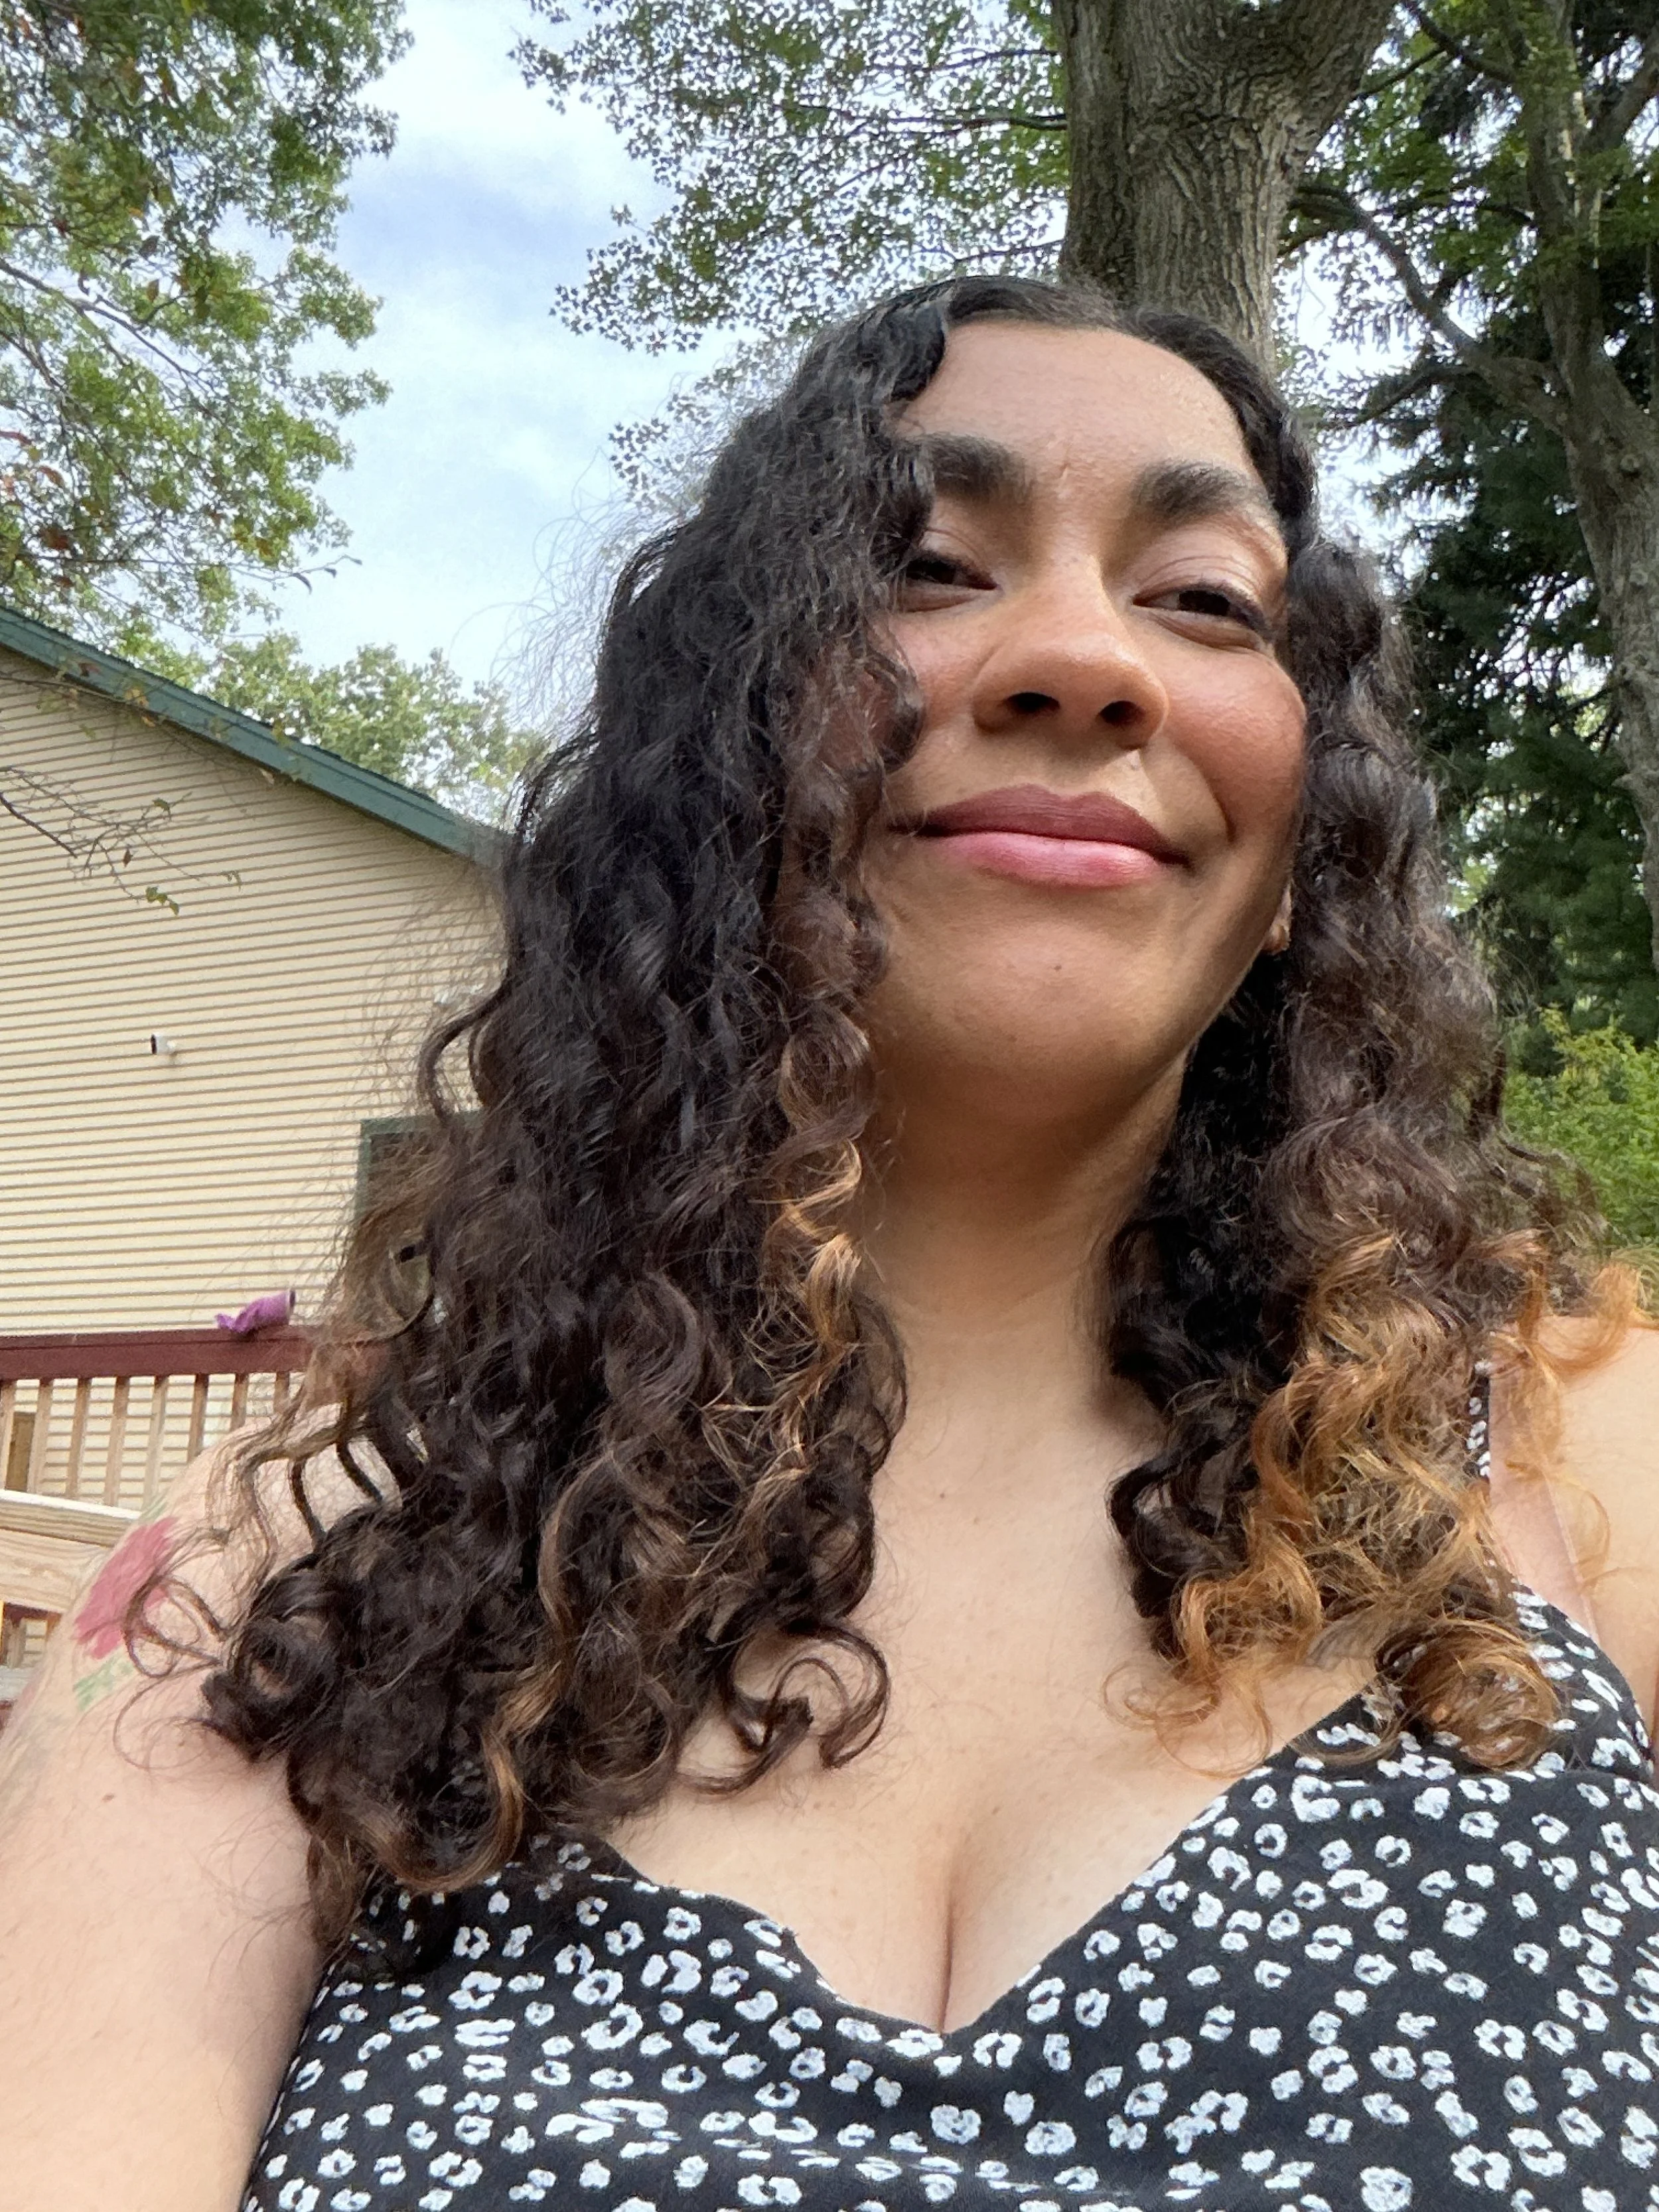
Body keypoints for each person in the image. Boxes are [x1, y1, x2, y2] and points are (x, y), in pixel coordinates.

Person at [2, 275, 1657, 2212]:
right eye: (928, 566)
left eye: (1204, 599)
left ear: (1307, 847)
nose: (1081, 658)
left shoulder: (1586, 1462)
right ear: (726, 767)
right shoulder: (287, 1584)